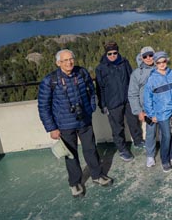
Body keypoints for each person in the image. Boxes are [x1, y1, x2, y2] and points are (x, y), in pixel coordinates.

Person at [38, 49, 112, 197]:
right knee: (71, 155)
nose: (69, 62)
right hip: (64, 124)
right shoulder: (50, 81)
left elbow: (91, 91)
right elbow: (43, 106)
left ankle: (97, 175)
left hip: (84, 120)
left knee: (91, 149)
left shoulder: (82, 73)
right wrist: (52, 128)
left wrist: (90, 108)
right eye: (65, 60)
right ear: (58, 63)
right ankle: (75, 183)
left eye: (71, 59)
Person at [95, 41, 144, 162]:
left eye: (114, 53)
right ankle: (122, 149)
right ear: (106, 53)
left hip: (127, 100)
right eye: (109, 53)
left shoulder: (124, 63)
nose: (112, 56)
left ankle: (138, 141)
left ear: (118, 52)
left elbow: (132, 79)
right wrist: (103, 105)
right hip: (112, 103)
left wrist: (135, 97)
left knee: (134, 121)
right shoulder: (101, 68)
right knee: (117, 127)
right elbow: (100, 88)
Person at [144, 51, 172, 173]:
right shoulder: (152, 79)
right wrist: (152, 115)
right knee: (166, 136)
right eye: (159, 62)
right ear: (155, 63)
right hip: (161, 114)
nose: (162, 64)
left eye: (164, 61)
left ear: (167, 61)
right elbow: (148, 98)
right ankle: (165, 160)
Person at [128, 45, 158, 167]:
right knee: (150, 133)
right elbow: (132, 94)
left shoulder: (161, 67)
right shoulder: (136, 73)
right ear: (141, 57)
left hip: (162, 107)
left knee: (165, 132)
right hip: (148, 109)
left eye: (151, 55)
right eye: (145, 56)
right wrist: (139, 111)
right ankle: (150, 156)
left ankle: (168, 155)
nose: (149, 58)